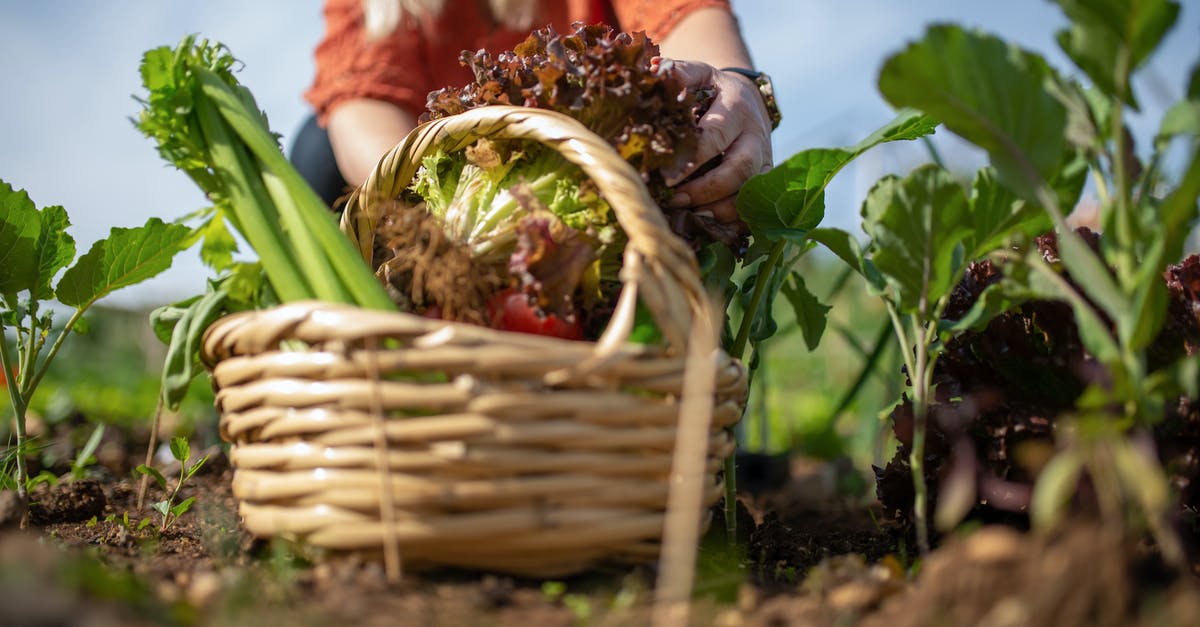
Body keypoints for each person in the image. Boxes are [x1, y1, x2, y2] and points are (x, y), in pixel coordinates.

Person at [290, 0, 777, 228]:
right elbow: (362, 107)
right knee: (318, 152)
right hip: (449, 217)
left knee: (702, 154)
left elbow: (689, 19)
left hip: (607, 200)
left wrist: (733, 86)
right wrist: (469, 218)